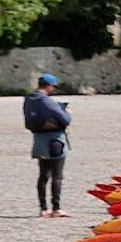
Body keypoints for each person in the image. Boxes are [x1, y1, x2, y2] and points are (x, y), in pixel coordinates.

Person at [23, 73, 71, 217]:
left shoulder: (29, 100)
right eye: (54, 87)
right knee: (57, 175)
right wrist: (66, 112)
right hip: (55, 141)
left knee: (43, 175)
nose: (54, 89)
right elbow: (65, 119)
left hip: (39, 140)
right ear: (49, 86)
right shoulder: (47, 101)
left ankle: (43, 208)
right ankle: (56, 208)